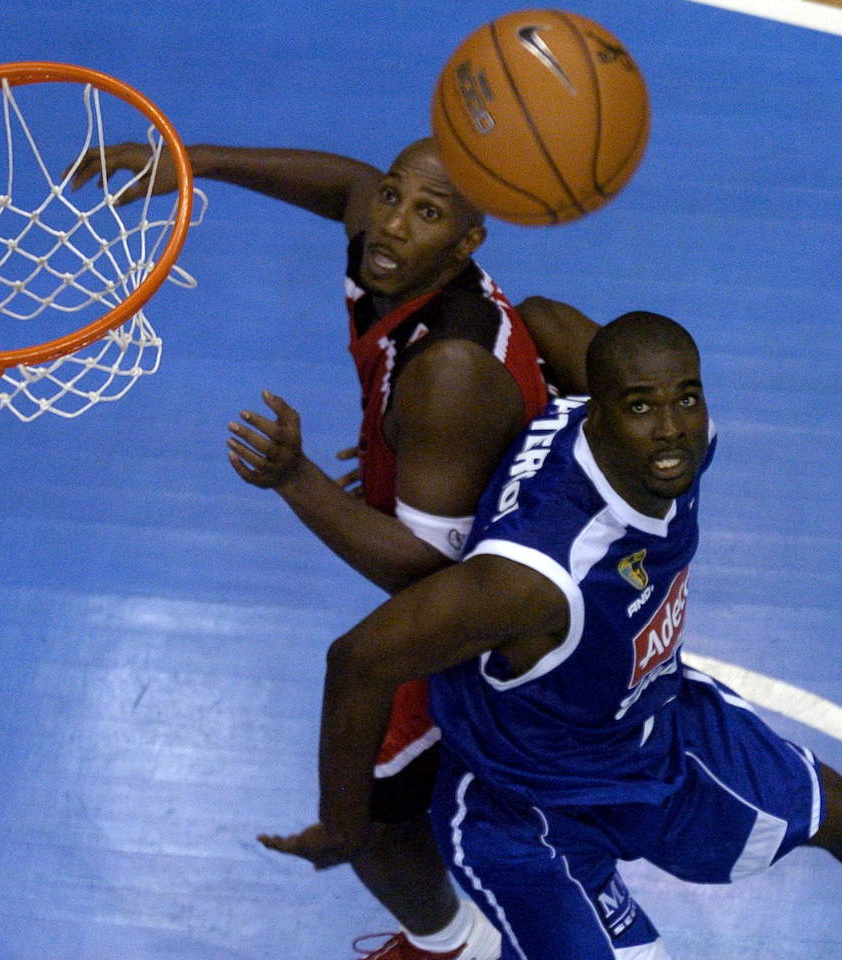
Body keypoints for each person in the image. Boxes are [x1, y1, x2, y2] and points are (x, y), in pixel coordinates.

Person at [258, 312, 842, 958]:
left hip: (657, 734)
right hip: (526, 804)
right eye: (642, 406)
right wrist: (343, 821)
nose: (674, 427)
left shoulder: (673, 451)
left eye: (687, 397)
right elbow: (358, 659)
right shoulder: (535, 575)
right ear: (602, 412)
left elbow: (538, 316)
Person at [74, 138, 583, 959]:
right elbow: (345, 188)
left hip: (505, 608)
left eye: (427, 213)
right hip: (469, 506)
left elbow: (431, 581)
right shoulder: (398, 262)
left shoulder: (446, 375)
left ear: (468, 242)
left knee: (370, 808)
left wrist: (294, 478)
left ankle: (456, 945)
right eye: (392, 198)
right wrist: (192, 162)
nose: (389, 225)